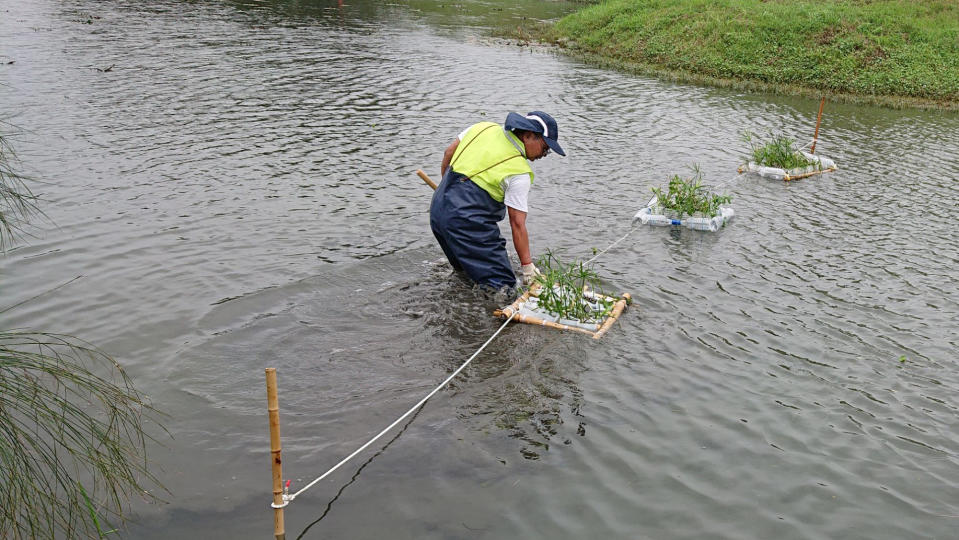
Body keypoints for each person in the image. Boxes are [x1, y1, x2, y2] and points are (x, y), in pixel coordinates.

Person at [429, 111, 565, 290]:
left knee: (465, 275)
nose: (544, 154)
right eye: (545, 147)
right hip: (467, 223)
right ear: (528, 135)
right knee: (503, 287)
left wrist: (448, 195)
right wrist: (527, 267)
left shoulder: (483, 128)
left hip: (438, 210)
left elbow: (448, 153)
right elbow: (517, 224)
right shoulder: (519, 172)